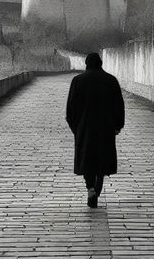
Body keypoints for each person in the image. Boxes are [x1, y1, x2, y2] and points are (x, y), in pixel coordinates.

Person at [66, 52, 125, 208]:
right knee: (102, 157)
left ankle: (90, 188)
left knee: (87, 158)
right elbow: (119, 106)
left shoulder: (78, 81)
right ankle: (97, 187)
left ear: (86, 64)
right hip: (106, 127)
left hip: (85, 128)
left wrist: (76, 128)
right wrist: (118, 126)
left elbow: (70, 110)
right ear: (100, 63)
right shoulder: (111, 81)